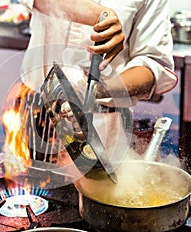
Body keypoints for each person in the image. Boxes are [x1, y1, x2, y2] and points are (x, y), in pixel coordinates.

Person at [12, 0, 178, 176]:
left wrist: (98, 91)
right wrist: (100, 15)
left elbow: (153, 65)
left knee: (99, 194)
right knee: (25, 193)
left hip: (102, 124)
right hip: (39, 112)